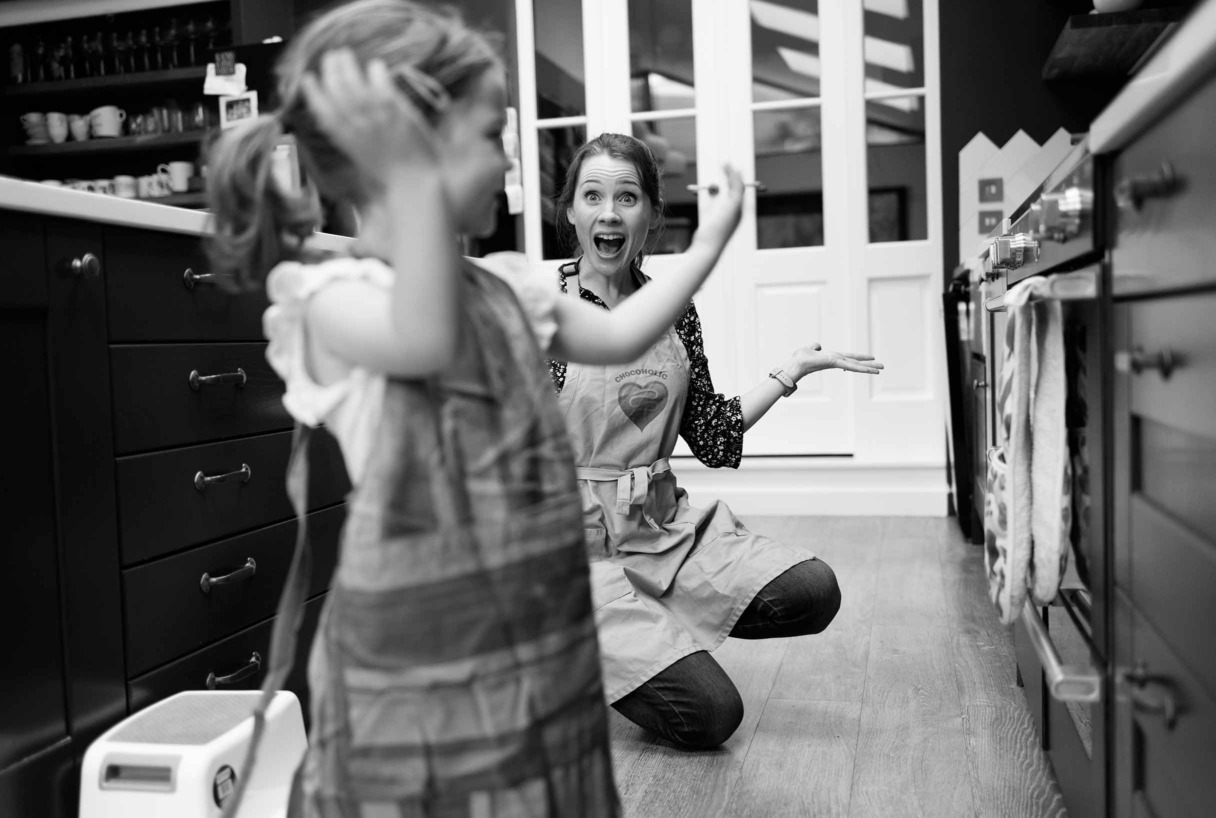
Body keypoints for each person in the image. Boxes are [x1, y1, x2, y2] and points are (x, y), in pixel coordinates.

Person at [203, 4, 748, 815]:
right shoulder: (331, 299)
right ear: (404, 151)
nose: (505, 158)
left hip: (536, 628)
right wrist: (411, 165)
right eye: (488, 134)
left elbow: (625, 328)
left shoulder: (516, 286)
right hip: (417, 658)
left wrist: (707, 245)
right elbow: (425, 339)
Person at [548, 133, 884, 750]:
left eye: (627, 197)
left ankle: (647, 626)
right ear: (570, 210)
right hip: (571, 555)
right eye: (592, 196)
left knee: (813, 591)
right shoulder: (547, 310)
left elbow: (710, 432)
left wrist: (791, 373)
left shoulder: (673, 310)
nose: (609, 213)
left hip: (659, 530)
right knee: (711, 715)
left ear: (650, 214)